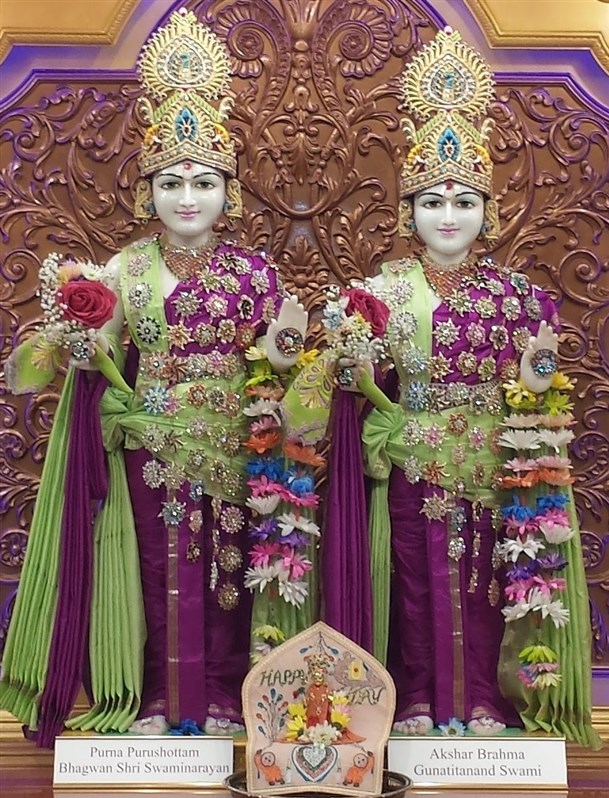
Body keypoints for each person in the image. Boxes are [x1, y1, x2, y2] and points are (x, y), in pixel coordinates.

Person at [0, 8, 309, 745]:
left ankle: (228, 698)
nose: (187, 198)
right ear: (148, 193)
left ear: (228, 192)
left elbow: (282, 370)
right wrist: (71, 344)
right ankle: (157, 699)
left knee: (230, 573)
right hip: (150, 447)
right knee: (157, 573)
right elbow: (55, 365)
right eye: (171, 183)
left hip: (236, 446)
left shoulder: (255, 273)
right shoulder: (124, 269)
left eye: (203, 182)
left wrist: (288, 363)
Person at [316, 28, 599, 746]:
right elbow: (345, 393)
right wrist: (349, 368)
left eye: (464, 201)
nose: (448, 217)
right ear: (407, 210)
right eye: (432, 202)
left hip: (492, 464)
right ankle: (414, 698)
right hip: (410, 460)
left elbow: (537, 394)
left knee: (486, 580)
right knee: (411, 578)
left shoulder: (519, 297)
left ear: (487, 210)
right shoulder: (378, 293)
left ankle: (485, 702)